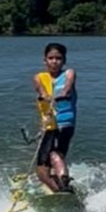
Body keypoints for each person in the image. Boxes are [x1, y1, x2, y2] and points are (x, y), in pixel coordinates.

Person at [32, 42, 77, 192]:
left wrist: (63, 94)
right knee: (43, 168)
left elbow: (68, 86)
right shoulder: (38, 77)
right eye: (50, 58)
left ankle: (63, 185)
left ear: (64, 60)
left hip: (65, 124)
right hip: (49, 126)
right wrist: (45, 97)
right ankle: (60, 189)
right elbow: (41, 91)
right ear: (44, 60)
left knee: (55, 155)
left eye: (58, 58)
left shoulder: (69, 73)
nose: (54, 61)